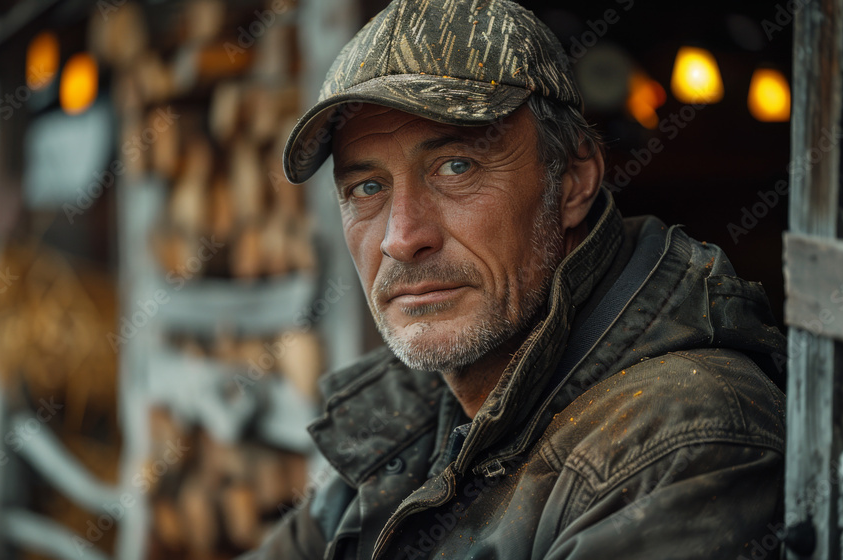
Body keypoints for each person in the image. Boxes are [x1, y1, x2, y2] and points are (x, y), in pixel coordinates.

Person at [242, 0, 786, 558]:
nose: (401, 238)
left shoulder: (674, 440)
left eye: (456, 167)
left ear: (573, 180)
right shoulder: (418, 411)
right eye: (367, 188)